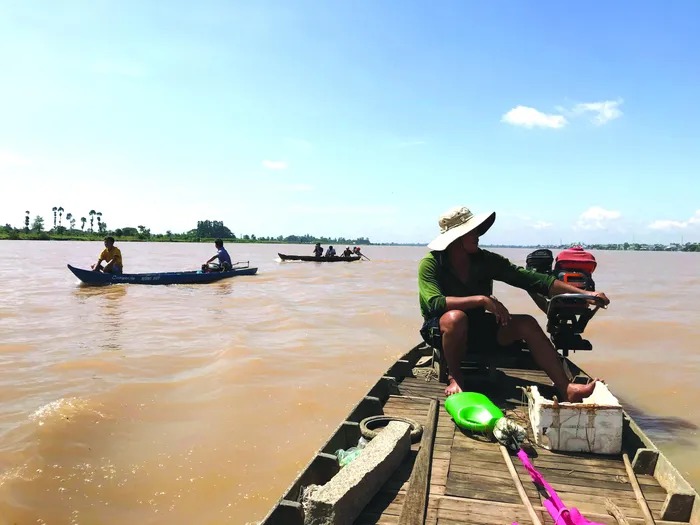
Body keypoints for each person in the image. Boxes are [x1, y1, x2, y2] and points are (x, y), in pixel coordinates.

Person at [418, 206, 610, 401]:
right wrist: (482, 300)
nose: (478, 235)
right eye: (472, 232)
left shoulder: (486, 260)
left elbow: (531, 279)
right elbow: (436, 304)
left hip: (479, 328)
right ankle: (455, 376)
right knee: (455, 318)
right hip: (442, 331)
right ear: (457, 237)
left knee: (527, 323)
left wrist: (585, 293)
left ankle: (566, 387)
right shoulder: (431, 263)